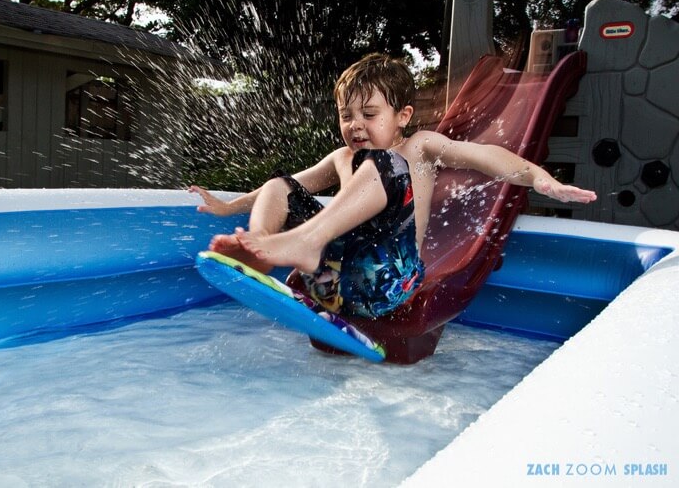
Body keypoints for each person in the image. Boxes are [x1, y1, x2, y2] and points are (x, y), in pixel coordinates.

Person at [190, 53, 596, 320]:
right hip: (332, 284)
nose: (355, 125)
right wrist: (227, 209)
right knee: (281, 184)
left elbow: (486, 155)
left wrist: (540, 178)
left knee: (385, 164)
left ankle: (299, 244)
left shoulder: (417, 148)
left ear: (402, 116)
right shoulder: (341, 157)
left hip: (387, 281)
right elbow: (278, 191)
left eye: (369, 113)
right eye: (346, 115)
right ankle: (263, 247)